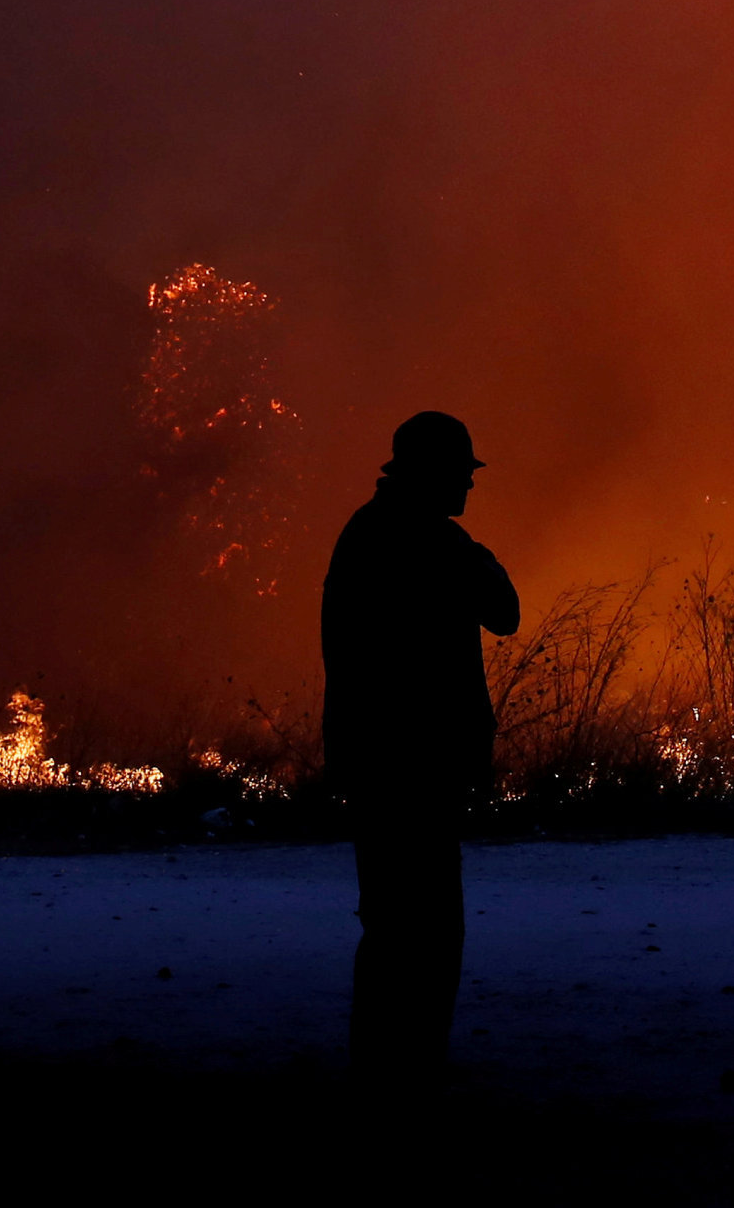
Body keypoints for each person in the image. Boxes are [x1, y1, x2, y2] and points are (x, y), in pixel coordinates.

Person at [319, 408, 519, 1070]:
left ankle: (382, 1072)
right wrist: (474, 551)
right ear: (431, 474)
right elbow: (505, 612)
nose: (468, 486)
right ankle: (408, 1077)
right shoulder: (432, 543)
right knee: (428, 934)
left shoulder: (364, 533)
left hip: (377, 765)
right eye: (461, 473)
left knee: (392, 930)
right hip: (418, 768)